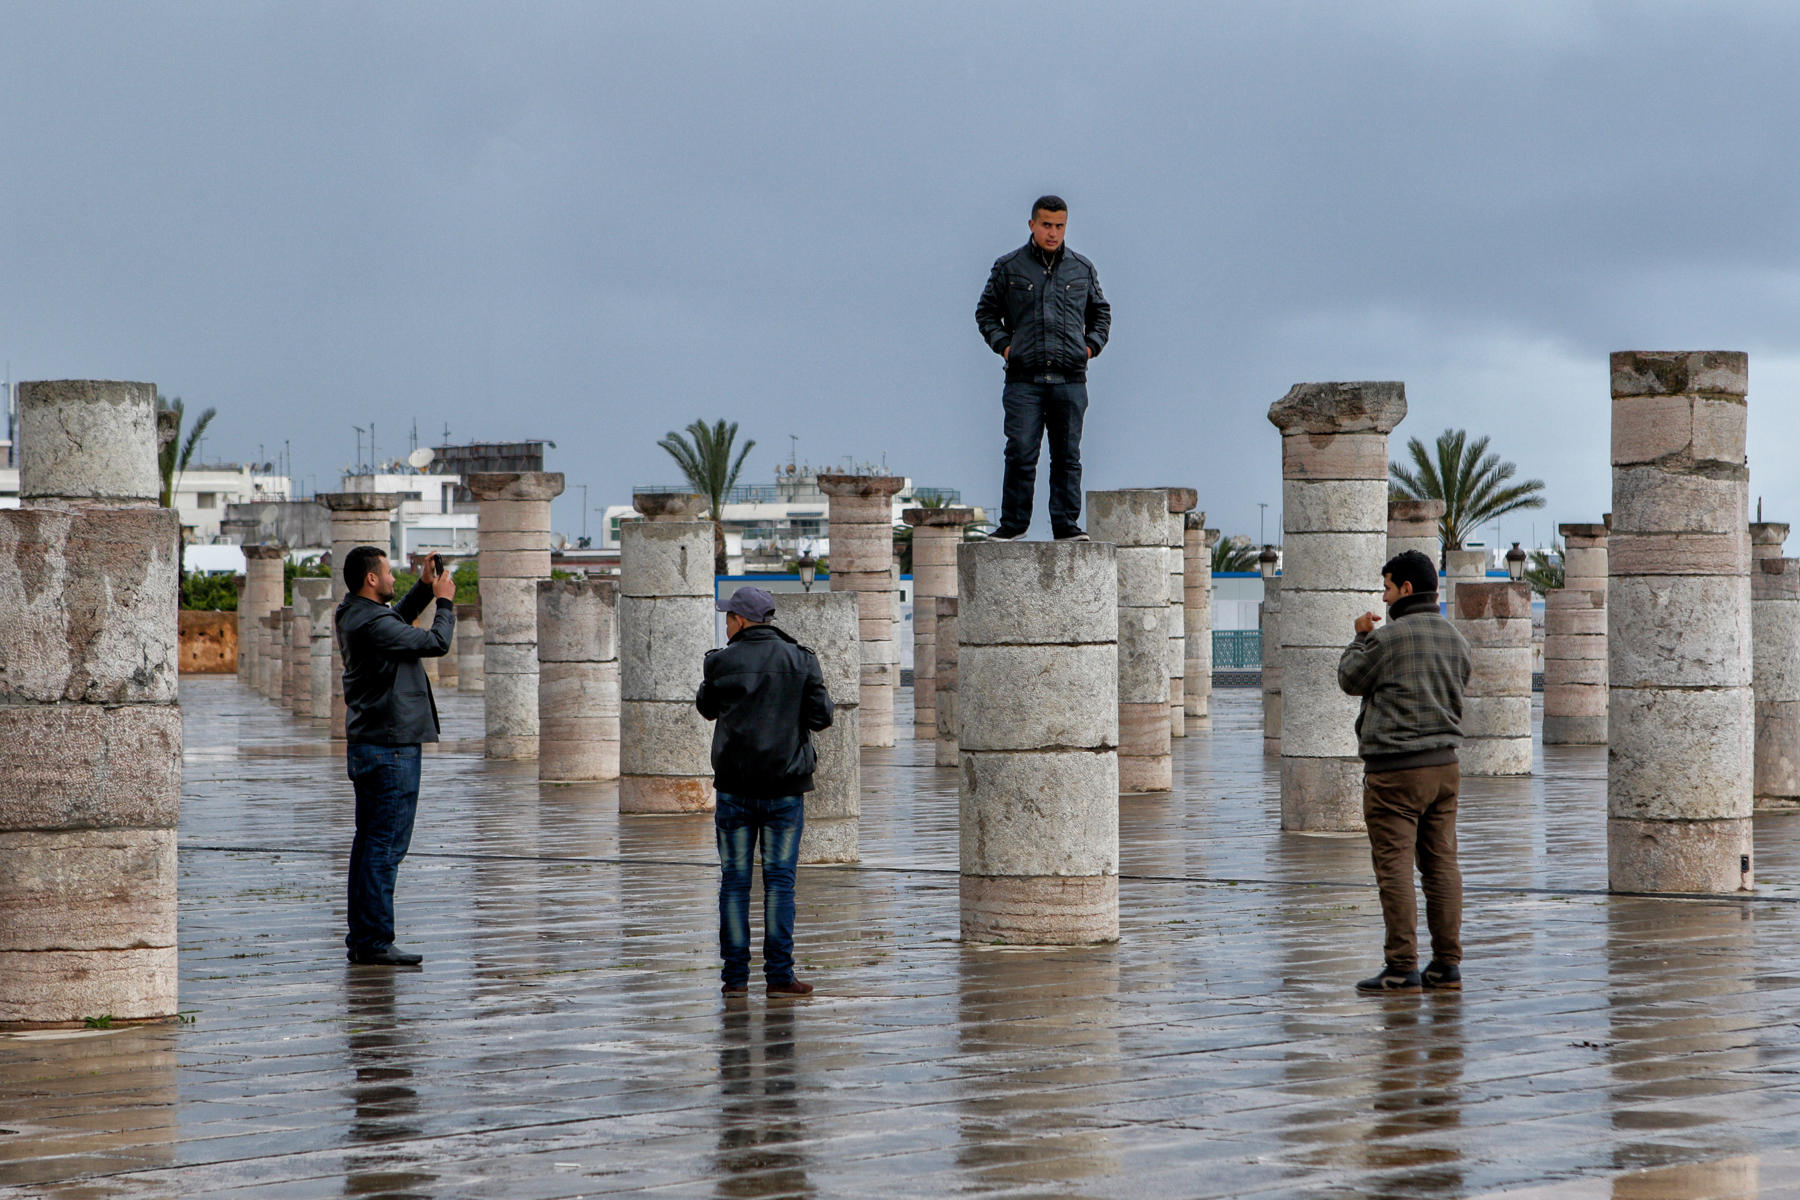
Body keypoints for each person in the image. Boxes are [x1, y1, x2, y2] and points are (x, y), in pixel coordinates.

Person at [1336, 549, 1472, 995]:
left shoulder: (1386, 639)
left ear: (1406, 590)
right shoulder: (1456, 639)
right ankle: (1446, 966)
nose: (1384, 596)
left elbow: (1350, 679)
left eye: (1388, 587)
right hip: (1445, 768)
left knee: (1394, 869)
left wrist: (1359, 637)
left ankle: (1401, 967)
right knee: (1442, 866)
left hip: (1395, 774)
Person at [695, 586, 834, 999]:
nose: (726, 623)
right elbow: (821, 716)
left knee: (734, 883)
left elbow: (707, 708)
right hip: (785, 788)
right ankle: (779, 977)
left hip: (734, 788)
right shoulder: (800, 659)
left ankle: (735, 979)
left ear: (739, 619)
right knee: (780, 884)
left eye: (728, 617)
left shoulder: (720, 662)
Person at [334, 545, 455, 966]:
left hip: (375, 743)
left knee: (370, 844)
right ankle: (374, 942)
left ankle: (365, 938)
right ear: (371, 578)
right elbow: (436, 642)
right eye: (387, 573)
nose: (392, 579)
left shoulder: (357, 614)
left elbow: (396, 620)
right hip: (390, 748)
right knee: (384, 847)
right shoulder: (371, 623)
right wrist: (445, 602)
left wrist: (424, 588)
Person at [974, 194, 1111, 542]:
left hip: (1069, 379)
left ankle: (1066, 526)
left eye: (1059, 226)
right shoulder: (1009, 267)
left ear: (1066, 227)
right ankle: (1013, 525)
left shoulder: (1082, 268)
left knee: (1067, 457)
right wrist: (1006, 347)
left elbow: (1101, 313)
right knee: (1020, 451)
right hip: (1024, 380)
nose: (1052, 233)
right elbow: (986, 313)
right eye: (1046, 225)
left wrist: (1090, 347)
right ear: (1032, 224)